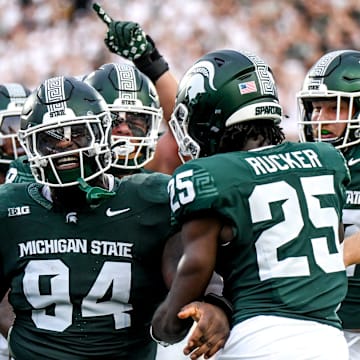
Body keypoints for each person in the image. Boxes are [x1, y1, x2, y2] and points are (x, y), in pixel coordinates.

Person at [0, 75, 228, 360]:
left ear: (103, 134)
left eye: (78, 134)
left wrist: (213, 302)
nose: (65, 147)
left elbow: (194, 263)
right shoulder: (10, 207)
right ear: (31, 148)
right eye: (50, 140)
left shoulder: (152, 198)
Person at [151, 49, 350, 359]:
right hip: (330, 341)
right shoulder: (326, 159)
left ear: (213, 115)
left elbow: (195, 266)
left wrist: (164, 327)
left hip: (258, 340)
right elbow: (331, 237)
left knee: (173, 351)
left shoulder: (210, 175)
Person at [297, 49, 360, 359]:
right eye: (315, 109)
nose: (318, 120)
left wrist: (328, 264)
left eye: (330, 108)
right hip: (325, 325)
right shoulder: (311, 161)